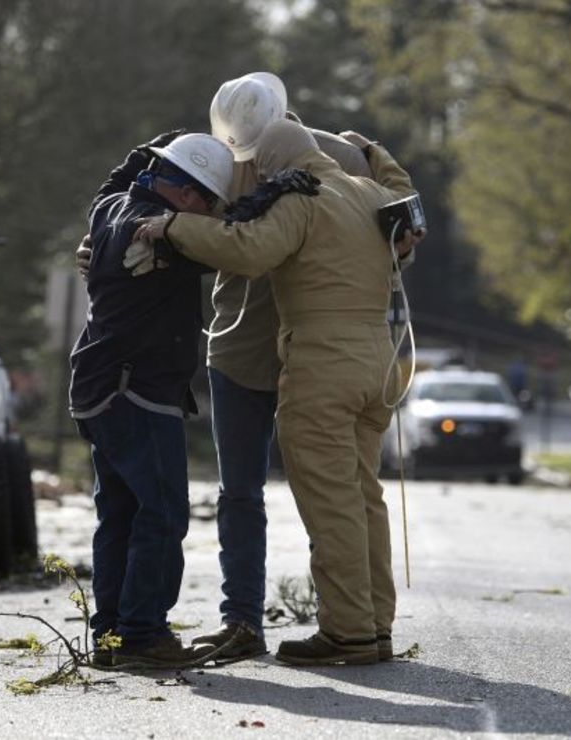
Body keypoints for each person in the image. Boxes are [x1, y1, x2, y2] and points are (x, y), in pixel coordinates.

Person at [75, 72, 422, 664]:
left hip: (307, 350)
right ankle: (276, 622)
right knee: (290, 493)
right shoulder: (217, 158)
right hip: (264, 348)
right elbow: (399, 220)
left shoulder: (316, 166)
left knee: (323, 496)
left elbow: (251, 246)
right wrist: (108, 244)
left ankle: (349, 630)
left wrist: (171, 228)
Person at [69, 132, 236, 669]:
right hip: (137, 388)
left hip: (98, 388)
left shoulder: (109, 207)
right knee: (161, 515)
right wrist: (276, 194)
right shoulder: (162, 233)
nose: (210, 212)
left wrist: (153, 147)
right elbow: (235, 238)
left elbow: (113, 182)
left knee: (118, 514)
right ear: (185, 196)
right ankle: (143, 635)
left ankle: (112, 637)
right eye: (208, 200)